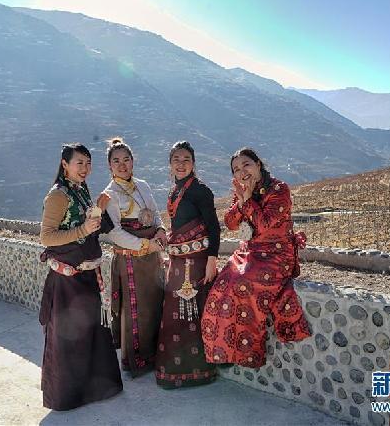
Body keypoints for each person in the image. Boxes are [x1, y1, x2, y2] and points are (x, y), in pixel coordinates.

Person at [202, 147, 311, 368]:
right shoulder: (243, 191)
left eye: (246, 165)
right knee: (220, 287)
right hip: (250, 252)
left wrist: (247, 200)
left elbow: (263, 224)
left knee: (242, 283)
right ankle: (224, 350)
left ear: (258, 164)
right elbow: (231, 223)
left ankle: (249, 353)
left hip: (277, 254)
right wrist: (241, 201)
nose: (242, 172)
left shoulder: (279, 189)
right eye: (236, 169)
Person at [39, 143, 122, 410]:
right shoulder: (58, 195)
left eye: (88, 163)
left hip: (86, 276)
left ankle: (95, 389)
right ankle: (68, 397)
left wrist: (99, 209)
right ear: (65, 165)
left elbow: (88, 225)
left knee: (90, 335)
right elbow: (46, 237)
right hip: (67, 281)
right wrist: (83, 229)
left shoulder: (81, 189)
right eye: (79, 163)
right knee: (69, 340)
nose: (85, 168)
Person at [155, 141, 219, 388]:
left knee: (194, 313)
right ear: (170, 164)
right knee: (175, 315)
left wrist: (211, 261)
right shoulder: (174, 191)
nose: (181, 164)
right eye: (176, 160)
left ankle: (199, 372)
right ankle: (174, 372)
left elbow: (213, 228)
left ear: (194, 163)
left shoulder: (201, 191)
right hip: (178, 263)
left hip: (198, 263)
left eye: (186, 160)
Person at [101, 137, 166, 377]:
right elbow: (115, 232)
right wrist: (144, 244)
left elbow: (155, 214)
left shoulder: (143, 186)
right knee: (136, 311)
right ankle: (137, 360)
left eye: (126, 159)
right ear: (109, 166)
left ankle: (157, 354)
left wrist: (161, 230)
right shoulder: (108, 195)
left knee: (155, 303)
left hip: (152, 258)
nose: (122, 165)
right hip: (130, 258)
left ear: (133, 161)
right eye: (116, 161)